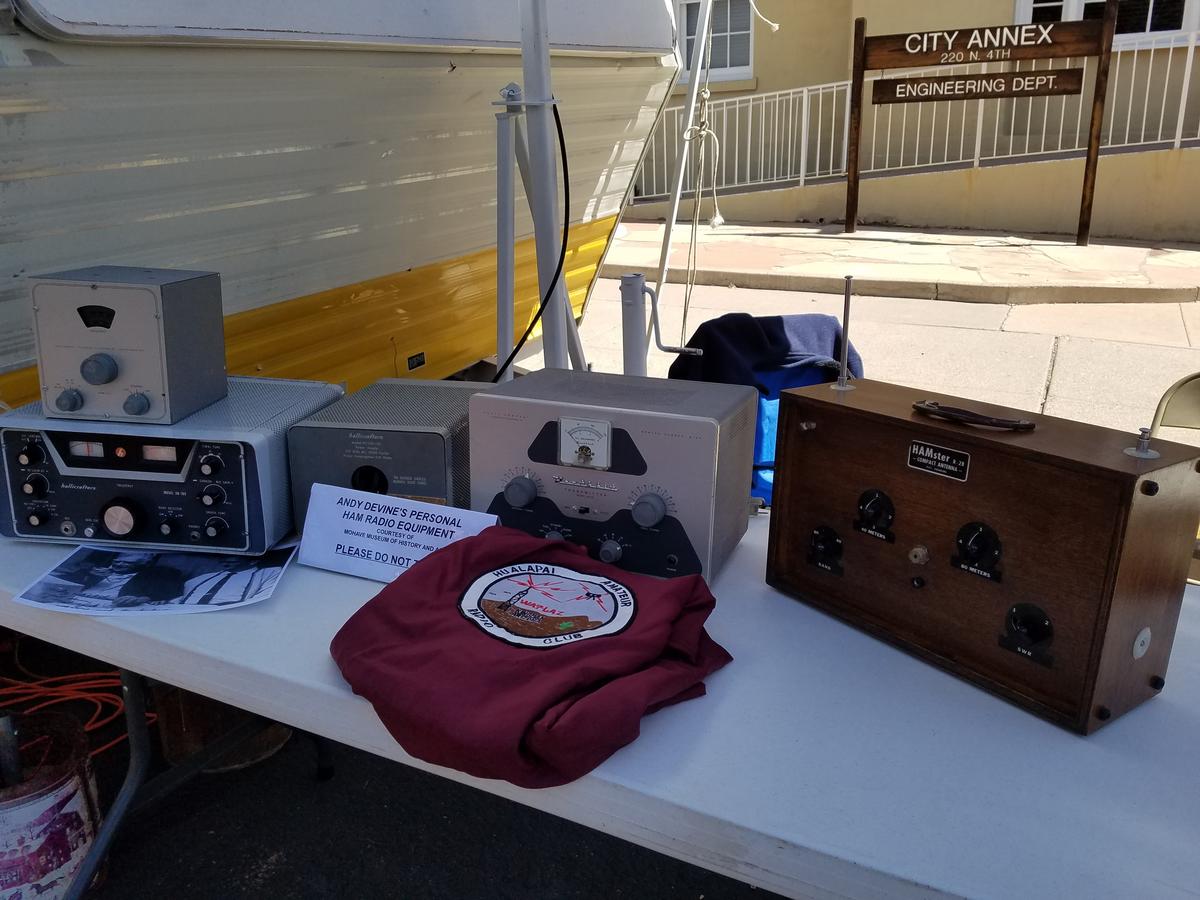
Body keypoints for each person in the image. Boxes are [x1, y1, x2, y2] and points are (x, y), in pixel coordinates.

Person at [178, 556, 271, 606]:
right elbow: (183, 599)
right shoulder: (200, 579)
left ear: (253, 560)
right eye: (222, 556)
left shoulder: (268, 573)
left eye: (232, 556)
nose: (225, 559)